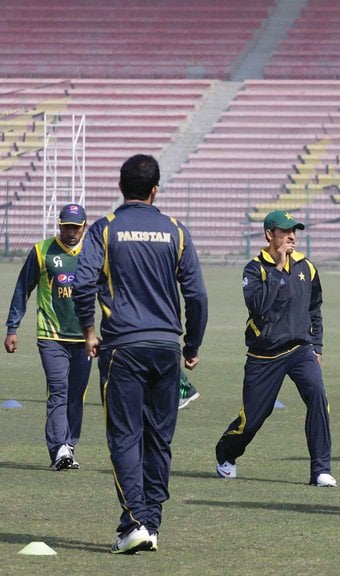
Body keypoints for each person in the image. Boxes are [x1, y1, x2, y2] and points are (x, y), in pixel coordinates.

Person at [73, 154, 208, 554]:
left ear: (121, 188)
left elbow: (83, 285)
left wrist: (89, 329)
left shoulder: (105, 229)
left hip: (122, 348)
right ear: (155, 191)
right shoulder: (175, 230)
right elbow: (197, 294)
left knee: (124, 437)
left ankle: (135, 522)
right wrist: (192, 345)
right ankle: (150, 522)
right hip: (166, 349)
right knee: (159, 438)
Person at [214, 210, 336, 488]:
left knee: (318, 396)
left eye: (294, 230)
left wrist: (317, 345)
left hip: (301, 350)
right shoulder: (254, 269)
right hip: (264, 355)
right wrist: (279, 270)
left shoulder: (307, 267)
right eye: (285, 231)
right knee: (253, 418)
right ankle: (226, 452)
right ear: (270, 234)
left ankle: (321, 469)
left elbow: (315, 308)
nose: (292, 236)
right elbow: (258, 306)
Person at [5, 203, 91, 470]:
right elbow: (23, 289)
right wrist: (12, 327)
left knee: (77, 396)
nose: (72, 232)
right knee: (59, 391)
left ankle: (69, 445)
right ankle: (58, 450)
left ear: (84, 226)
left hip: (83, 339)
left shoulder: (93, 254)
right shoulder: (41, 251)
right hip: (51, 335)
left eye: (76, 227)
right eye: (67, 226)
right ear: (59, 225)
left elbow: (110, 293)